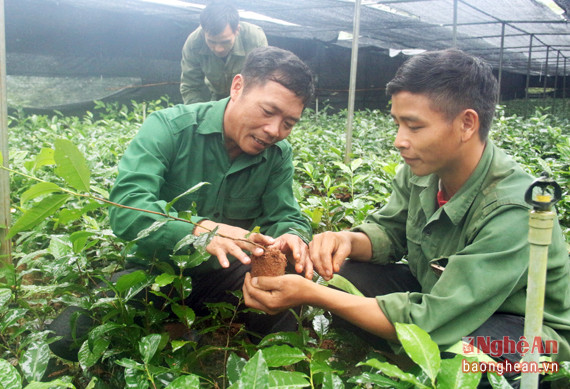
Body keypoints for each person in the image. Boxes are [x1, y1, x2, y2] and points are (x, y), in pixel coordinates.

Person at [243, 49, 570, 385]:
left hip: (523, 333)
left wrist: (313, 294)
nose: (399, 141)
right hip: (437, 294)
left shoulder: (514, 208)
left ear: (467, 124)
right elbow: (390, 232)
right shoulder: (425, 170)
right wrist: (345, 240)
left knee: (467, 359)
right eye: (397, 124)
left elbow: (435, 318)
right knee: (343, 275)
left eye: (413, 126)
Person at [49, 46, 315, 361]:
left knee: (290, 284)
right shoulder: (169, 128)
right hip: (157, 270)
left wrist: (294, 236)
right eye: (268, 112)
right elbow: (127, 207)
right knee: (64, 336)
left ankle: (274, 368)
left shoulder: (277, 156)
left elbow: (286, 215)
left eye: (288, 123)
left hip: (228, 274)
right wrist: (199, 230)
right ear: (238, 86)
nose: (274, 131)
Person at [180, 1, 268, 105]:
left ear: (237, 30)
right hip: (216, 97)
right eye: (212, 42)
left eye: (225, 42)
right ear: (204, 32)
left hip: (246, 98)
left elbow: (261, 82)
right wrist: (199, 116)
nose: (218, 49)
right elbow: (190, 87)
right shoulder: (193, 43)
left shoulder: (255, 39)